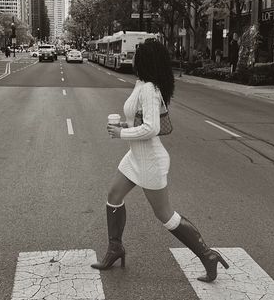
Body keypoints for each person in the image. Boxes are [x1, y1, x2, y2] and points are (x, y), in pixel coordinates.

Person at [92, 39, 229, 283]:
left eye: (136, 55)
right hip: (136, 156)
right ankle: (115, 248)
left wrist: (121, 133)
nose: (132, 58)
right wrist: (125, 125)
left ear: (144, 60)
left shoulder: (150, 89)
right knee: (113, 197)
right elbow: (140, 122)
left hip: (150, 161)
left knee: (166, 216)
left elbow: (152, 128)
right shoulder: (141, 84)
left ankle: (207, 255)